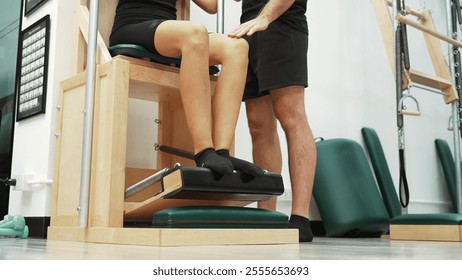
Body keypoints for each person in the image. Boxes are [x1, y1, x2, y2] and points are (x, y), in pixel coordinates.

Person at [110, 0, 263, 176]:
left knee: (237, 47)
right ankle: (204, 150)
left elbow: (212, 6)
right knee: (195, 33)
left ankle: (222, 152)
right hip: (133, 26)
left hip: (169, 35)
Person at [229, 0, 316, 242]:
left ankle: (300, 218)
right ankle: (267, 215)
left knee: (292, 116)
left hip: (282, 23)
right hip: (250, 29)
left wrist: (266, 16)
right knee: (258, 125)